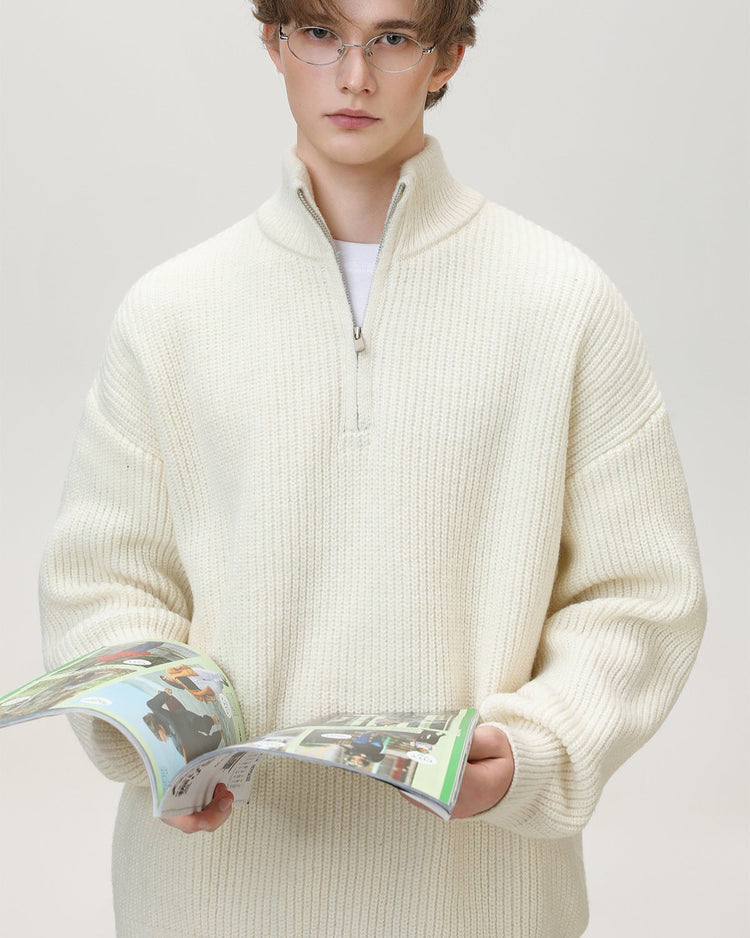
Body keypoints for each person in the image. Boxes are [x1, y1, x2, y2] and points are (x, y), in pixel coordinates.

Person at [38, 0, 706, 935]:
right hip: (213, 896)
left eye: (393, 38)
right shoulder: (171, 313)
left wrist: (538, 748)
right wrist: (156, 739)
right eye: (321, 33)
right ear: (273, 41)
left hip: (474, 898)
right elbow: (104, 581)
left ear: (449, 57)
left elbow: (640, 594)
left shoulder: (563, 304)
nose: (353, 77)